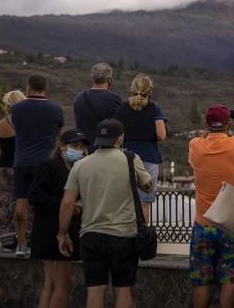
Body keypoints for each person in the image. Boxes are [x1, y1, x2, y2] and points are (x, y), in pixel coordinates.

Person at [58, 118, 153, 308]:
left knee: (95, 290)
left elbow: (68, 203)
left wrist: (62, 234)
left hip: (91, 236)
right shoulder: (130, 159)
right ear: (120, 138)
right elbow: (148, 187)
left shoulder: (81, 165)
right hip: (124, 236)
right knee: (123, 289)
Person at [188, 104, 234, 308]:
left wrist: (210, 129)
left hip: (203, 224)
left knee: (201, 279)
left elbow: (202, 137)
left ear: (207, 125)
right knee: (230, 277)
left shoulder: (195, 146)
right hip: (230, 225)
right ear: (228, 124)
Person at [29, 129, 88, 308]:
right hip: (51, 231)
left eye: (82, 146)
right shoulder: (50, 165)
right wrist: (65, 204)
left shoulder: (75, 168)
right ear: (62, 146)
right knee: (62, 285)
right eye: (74, 145)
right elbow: (35, 196)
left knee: (52, 285)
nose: (79, 150)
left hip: (58, 230)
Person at [12, 73, 64, 257]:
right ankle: (44, 241)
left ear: (28, 88)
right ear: (45, 88)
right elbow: (58, 132)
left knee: (21, 203)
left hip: (21, 161)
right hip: (45, 163)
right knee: (45, 202)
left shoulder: (16, 109)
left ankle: (20, 243)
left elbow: (16, 129)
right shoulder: (55, 109)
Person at [112, 74, 167, 224]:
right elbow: (162, 135)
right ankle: (141, 236)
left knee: (125, 201)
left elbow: (116, 135)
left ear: (132, 89)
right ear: (150, 91)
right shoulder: (154, 108)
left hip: (126, 157)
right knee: (144, 202)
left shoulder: (122, 108)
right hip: (149, 157)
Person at [0, 90, 26, 251]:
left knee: (6, 200)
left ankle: (6, 238)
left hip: (5, 166)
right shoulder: (28, 124)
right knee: (26, 201)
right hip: (22, 165)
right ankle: (25, 234)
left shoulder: (1, 124)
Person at [74, 62, 123, 152]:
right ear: (109, 79)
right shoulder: (115, 99)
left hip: (83, 150)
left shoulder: (79, 98)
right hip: (106, 150)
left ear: (92, 78)